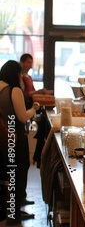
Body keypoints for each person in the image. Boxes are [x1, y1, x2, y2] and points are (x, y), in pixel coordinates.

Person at [0, 60, 40, 225]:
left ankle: (12, 210)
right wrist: (35, 108)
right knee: (19, 174)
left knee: (9, 174)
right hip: (16, 137)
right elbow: (22, 116)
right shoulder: (13, 90)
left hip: (4, 136)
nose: (22, 78)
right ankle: (14, 214)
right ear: (15, 74)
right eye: (20, 74)